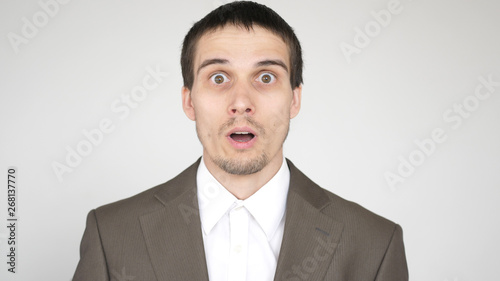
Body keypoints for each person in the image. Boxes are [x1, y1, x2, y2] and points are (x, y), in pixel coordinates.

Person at [73, 1, 408, 280]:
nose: (242, 101)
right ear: (189, 101)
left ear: (294, 99)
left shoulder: (374, 244)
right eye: (219, 77)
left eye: (266, 77)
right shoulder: (112, 234)